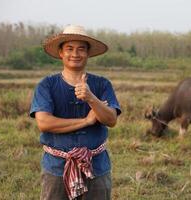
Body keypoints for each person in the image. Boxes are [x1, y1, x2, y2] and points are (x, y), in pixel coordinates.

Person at [30, 25, 121, 200]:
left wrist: (90, 98)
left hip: (96, 167)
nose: (75, 54)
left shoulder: (102, 85)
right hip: (57, 168)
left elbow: (111, 119)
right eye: (69, 49)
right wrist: (86, 121)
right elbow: (44, 123)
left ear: (88, 54)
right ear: (61, 53)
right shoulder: (46, 85)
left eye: (81, 49)